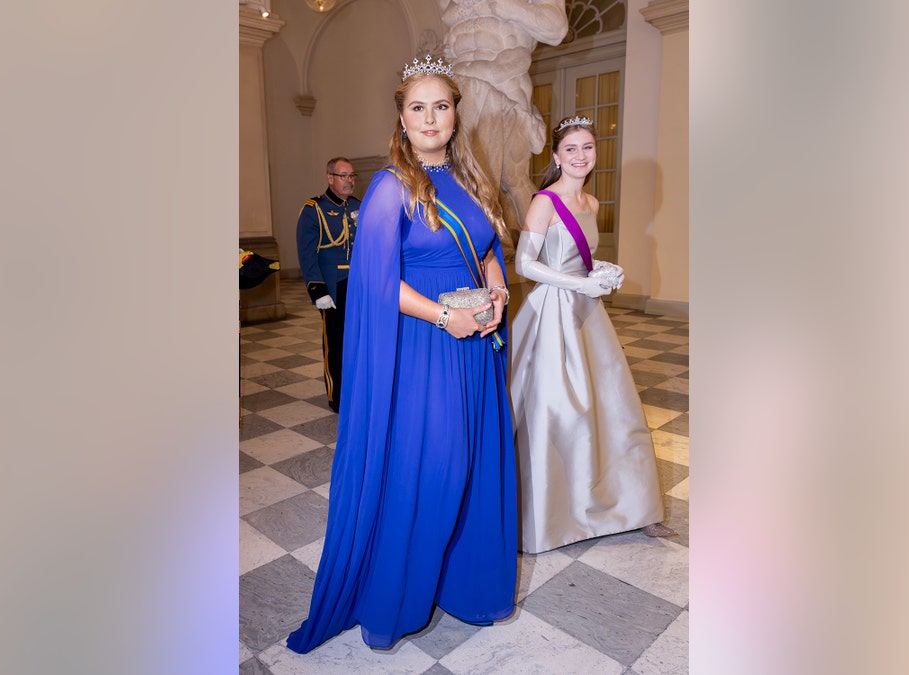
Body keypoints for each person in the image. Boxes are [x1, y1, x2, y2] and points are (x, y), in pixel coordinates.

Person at [287, 56, 517, 653]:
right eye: (418, 107)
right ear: (402, 117)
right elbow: (375, 280)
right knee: (432, 469)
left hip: (476, 348)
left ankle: (463, 586)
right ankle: (397, 598)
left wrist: (497, 286)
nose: (431, 117)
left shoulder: (473, 180)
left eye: (441, 105)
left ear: (456, 114)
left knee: (473, 467)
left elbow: (487, 245)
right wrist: (446, 315)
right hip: (427, 348)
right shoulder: (393, 187)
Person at [509, 116, 675, 555]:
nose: (581, 156)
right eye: (571, 149)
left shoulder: (594, 202)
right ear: (557, 156)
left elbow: (580, 259)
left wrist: (597, 274)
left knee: (614, 409)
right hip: (554, 313)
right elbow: (524, 264)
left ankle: (630, 507)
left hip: (588, 312)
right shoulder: (545, 200)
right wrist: (577, 284)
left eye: (588, 148)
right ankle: (552, 516)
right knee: (560, 409)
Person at [438, 0, 568, 226]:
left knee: (510, 178)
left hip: (503, 81)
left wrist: (501, 5)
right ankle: (492, 243)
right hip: (457, 84)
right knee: (464, 173)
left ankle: (537, 245)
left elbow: (556, 28)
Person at [295, 157, 361, 412]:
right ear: (330, 177)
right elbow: (307, 253)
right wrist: (317, 288)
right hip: (333, 288)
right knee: (336, 344)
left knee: (358, 341)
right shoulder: (314, 209)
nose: (349, 181)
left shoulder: (358, 206)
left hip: (359, 286)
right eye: (343, 176)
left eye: (352, 176)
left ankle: (357, 391)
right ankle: (338, 396)